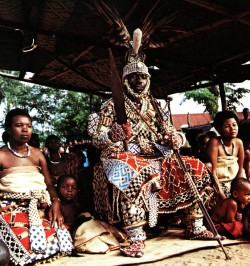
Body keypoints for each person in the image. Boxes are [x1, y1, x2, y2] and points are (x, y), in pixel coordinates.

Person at [87, 29, 218, 258]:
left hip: (156, 153)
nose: (138, 81)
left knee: (195, 168)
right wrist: (113, 135)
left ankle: (194, 226)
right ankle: (136, 237)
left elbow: (172, 134)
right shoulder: (110, 105)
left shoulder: (157, 106)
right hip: (121, 155)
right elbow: (98, 138)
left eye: (143, 77)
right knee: (133, 171)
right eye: (133, 77)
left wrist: (176, 138)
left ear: (148, 79)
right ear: (125, 80)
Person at [0, 108, 72, 265]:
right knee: (20, 246)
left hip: (39, 206)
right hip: (10, 208)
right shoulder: (1, 155)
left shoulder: (38, 154)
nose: (25, 129)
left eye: (29, 126)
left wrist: (55, 201)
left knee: (61, 240)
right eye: (19, 125)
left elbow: (48, 184)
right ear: (8, 129)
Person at [205, 110, 246, 200]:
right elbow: (213, 172)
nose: (232, 128)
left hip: (235, 184)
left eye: (234, 125)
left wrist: (239, 192)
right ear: (219, 130)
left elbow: (240, 171)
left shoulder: (239, 142)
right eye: (227, 126)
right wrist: (222, 196)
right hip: (218, 184)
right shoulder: (214, 142)